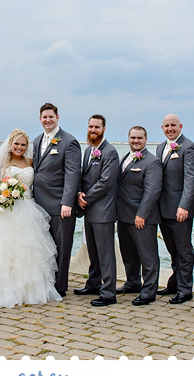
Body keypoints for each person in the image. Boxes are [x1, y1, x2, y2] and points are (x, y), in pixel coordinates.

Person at [0, 129, 62, 308]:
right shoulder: (1, 162)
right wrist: (2, 198)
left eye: (23, 144)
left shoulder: (30, 162)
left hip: (27, 209)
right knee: (1, 251)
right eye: (16, 144)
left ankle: (27, 290)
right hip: (4, 208)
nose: (19, 147)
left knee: (27, 251)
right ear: (10, 144)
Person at [32, 103, 82, 296]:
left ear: (57, 117)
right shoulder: (37, 141)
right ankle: (46, 282)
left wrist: (67, 202)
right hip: (38, 205)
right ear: (40, 119)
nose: (48, 120)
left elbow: (72, 174)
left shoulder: (69, 141)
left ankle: (60, 287)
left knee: (62, 247)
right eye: (44, 117)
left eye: (51, 117)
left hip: (60, 205)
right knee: (45, 247)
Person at [73, 114, 120, 306]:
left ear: (104, 129)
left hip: (103, 211)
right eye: (90, 127)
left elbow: (106, 182)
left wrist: (86, 198)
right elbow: (83, 177)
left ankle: (109, 293)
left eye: (97, 127)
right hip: (90, 210)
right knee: (93, 250)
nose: (93, 130)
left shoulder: (110, 152)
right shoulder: (88, 151)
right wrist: (78, 194)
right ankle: (93, 283)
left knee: (105, 253)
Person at [154, 113, 194, 305]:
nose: (170, 129)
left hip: (181, 210)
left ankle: (185, 289)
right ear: (162, 128)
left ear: (180, 126)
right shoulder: (160, 147)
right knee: (172, 249)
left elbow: (191, 179)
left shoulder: (189, 147)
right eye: (166, 126)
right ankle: (174, 282)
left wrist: (184, 205)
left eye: (173, 125)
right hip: (163, 209)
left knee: (184, 249)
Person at [115, 126, 163, 306]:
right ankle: (132, 282)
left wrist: (142, 214)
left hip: (142, 218)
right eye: (133, 137)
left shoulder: (152, 162)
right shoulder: (125, 158)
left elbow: (152, 191)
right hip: (124, 216)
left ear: (146, 139)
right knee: (128, 254)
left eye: (139, 138)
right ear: (128, 138)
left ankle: (149, 290)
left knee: (147, 255)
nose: (136, 141)